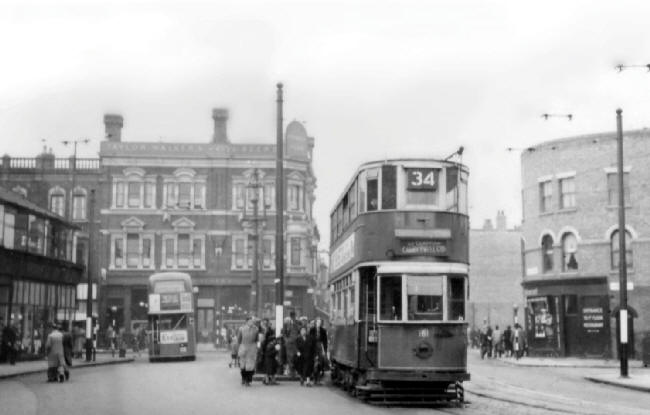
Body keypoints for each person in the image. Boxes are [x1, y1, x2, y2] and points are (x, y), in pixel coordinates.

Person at [237, 316, 259, 386]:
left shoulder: (256, 329)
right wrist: (239, 348)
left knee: (250, 365)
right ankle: (243, 378)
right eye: (250, 321)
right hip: (243, 348)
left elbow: (257, 339)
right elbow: (239, 339)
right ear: (246, 322)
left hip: (252, 348)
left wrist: (256, 346)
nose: (251, 322)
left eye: (252, 321)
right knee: (243, 365)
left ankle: (248, 380)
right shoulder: (241, 329)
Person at [281, 311, 301, 377]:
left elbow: (300, 330)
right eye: (292, 316)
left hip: (296, 342)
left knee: (296, 356)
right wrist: (286, 340)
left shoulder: (298, 322)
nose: (293, 317)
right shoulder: (286, 323)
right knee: (289, 357)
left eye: (294, 316)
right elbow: (283, 332)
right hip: (289, 342)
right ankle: (291, 372)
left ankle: (295, 370)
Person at [311, 317, 328, 385]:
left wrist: (325, 350)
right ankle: (314, 378)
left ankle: (318, 378)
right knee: (314, 363)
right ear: (315, 323)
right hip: (313, 347)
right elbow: (310, 339)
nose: (319, 323)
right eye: (318, 322)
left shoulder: (323, 330)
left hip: (320, 346)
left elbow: (325, 341)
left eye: (320, 322)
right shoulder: (312, 330)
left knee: (320, 363)